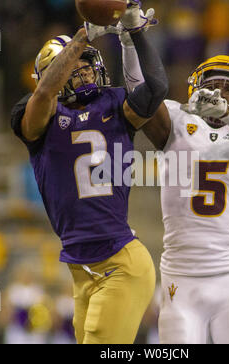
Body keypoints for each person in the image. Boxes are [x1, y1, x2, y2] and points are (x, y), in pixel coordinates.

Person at [11, 0, 168, 344]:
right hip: (80, 269)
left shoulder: (113, 103)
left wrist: (136, 32)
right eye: (73, 68)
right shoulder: (38, 117)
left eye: (86, 67)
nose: (82, 73)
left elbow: (156, 88)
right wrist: (81, 40)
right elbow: (43, 93)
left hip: (120, 263)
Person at [121, 40, 229, 343]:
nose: (219, 93)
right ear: (195, 88)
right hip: (178, 278)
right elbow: (139, 93)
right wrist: (130, 41)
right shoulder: (178, 120)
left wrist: (226, 113)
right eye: (212, 85)